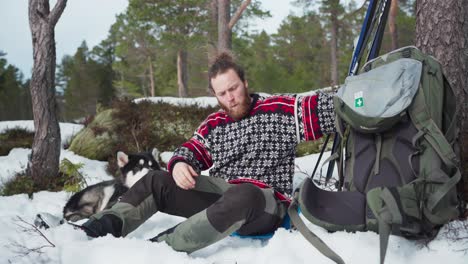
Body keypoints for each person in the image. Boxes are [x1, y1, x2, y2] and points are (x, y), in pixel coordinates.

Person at [81, 52, 336, 253]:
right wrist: (180, 163)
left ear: (245, 83)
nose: (231, 98)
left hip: (265, 203)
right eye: (222, 93)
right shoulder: (214, 123)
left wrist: (360, 97)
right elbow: (192, 149)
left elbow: (330, 107)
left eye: (234, 88)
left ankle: (158, 249)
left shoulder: (279, 109)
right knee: (156, 180)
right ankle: (96, 229)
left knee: (244, 193)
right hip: (223, 198)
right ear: (215, 95)